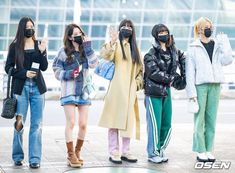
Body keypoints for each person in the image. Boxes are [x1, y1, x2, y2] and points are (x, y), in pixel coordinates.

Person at [186, 17, 233, 162]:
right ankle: (200, 150)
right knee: (199, 120)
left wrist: (226, 44)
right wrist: (191, 94)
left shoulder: (217, 45)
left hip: (215, 85)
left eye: (210, 26)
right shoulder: (193, 48)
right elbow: (189, 73)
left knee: (212, 119)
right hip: (201, 86)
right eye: (206, 26)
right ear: (199, 29)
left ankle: (209, 149)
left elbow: (227, 60)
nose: (209, 29)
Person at [5, 16, 48, 169]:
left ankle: (34, 159)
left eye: (32, 26)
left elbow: (43, 67)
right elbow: (8, 68)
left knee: (37, 125)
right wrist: (24, 73)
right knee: (19, 123)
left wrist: (42, 52)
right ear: (22, 28)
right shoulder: (15, 46)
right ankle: (17, 156)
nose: (31, 28)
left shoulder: (39, 44)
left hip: (38, 89)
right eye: (28, 26)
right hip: (21, 89)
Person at [98, 19, 143, 164]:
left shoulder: (136, 48)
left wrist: (136, 84)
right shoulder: (116, 45)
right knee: (114, 121)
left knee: (127, 122)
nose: (127, 28)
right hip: (116, 91)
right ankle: (114, 151)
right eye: (124, 26)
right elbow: (105, 55)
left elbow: (141, 71)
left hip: (129, 92)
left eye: (130, 26)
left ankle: (126, 151)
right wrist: (112, 41)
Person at [52, 24, 98, 168]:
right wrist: (69, 74)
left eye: (80, 33)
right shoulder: (64, 51)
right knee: (71, 122)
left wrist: (89, 48)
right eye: (75, 33)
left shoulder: (86, 51)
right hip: (69, 91)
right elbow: (56, 70)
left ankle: (77, 152)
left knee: (83, 124)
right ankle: (70, 154)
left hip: (83, 91)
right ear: (70, 37)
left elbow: (94, 64)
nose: (79, 35)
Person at [144, 24, 186, 164]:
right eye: (161, 32)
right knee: (155, 125)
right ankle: (152, 153)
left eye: (166, 31)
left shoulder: (173, 51)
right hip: (153, 92)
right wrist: (172, 79)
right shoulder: (150, 54)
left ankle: (160, 149)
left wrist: (184, 77)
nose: (164, 34)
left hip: (166, 92)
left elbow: (184, 60)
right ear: (156, 35)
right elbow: (153, 73)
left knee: (166, 124)